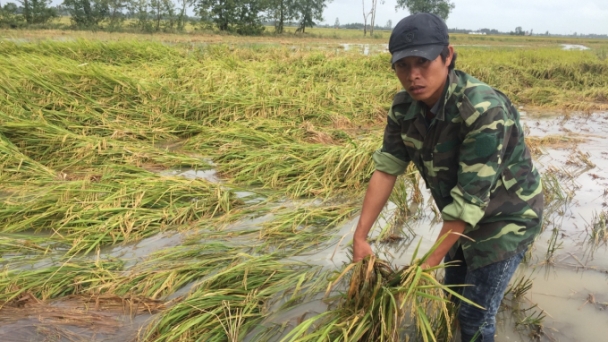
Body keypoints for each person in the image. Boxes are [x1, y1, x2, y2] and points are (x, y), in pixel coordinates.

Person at [351, 13, 544, 342]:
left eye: (423, 63)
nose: (413, 76)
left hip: (506, 220)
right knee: (455, 296)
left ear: (448, 56)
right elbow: (386, 169)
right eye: (403, 65)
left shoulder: (482, 110)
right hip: (459, 217)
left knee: (474, 316)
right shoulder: (403, 109)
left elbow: (471, 200)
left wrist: (427, 264)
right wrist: (360, 237)